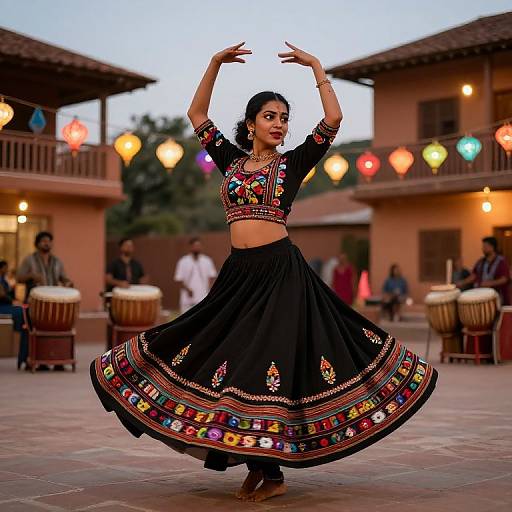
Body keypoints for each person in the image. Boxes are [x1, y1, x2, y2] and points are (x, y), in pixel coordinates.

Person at [90, 42, 437, 503]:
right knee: (220, 357)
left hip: (280, 275)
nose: (279, 125)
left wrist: (316, 67)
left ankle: (271, 471)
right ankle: (260, 465)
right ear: (251, 123)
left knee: (264, 369)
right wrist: (213, 63)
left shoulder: (292, 163)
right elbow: (196, 112)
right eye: (270, 116)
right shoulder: (231, 161)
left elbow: (332, 121)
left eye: (284, 118)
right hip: (238, 277)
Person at [17, 231, 73, 302]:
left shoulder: (57, 261)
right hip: (34, 300)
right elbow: (19, 278)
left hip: (53, 299)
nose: (47, 243)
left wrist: (68, 282)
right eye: (44, 241)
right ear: (37, 244)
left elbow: (63, 278)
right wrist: (31, 275)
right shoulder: (29, 259)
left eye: (49, 241)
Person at [459, 236, 510, 305]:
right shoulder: (481, 262)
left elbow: (504, 279)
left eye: (485, 246)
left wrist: (489, 283)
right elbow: (474, 275)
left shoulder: (501, 261)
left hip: (498, 298)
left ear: (492, 247)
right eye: (483, 246)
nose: (483, 248)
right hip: (482, 297)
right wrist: (462, 282)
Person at [174, 237, 217, 314]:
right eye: (195, 246)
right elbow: (179, 279)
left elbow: (212, 277)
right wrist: (187, 290)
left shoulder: (207, 261)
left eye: (199, 246)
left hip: (203, 298)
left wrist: (209, 290)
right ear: (190, 247)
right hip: (187, 299)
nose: (197, 248)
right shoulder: (183, 261)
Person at [0, 260, 29, 369]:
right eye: (5, 268)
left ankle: (24, 356)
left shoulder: (4, 279)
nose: (6, 270)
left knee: (25, 317)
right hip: (3, 308)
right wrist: (12, 301)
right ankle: (24, 356)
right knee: (24, 316)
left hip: (7, 306)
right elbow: (2, 294)